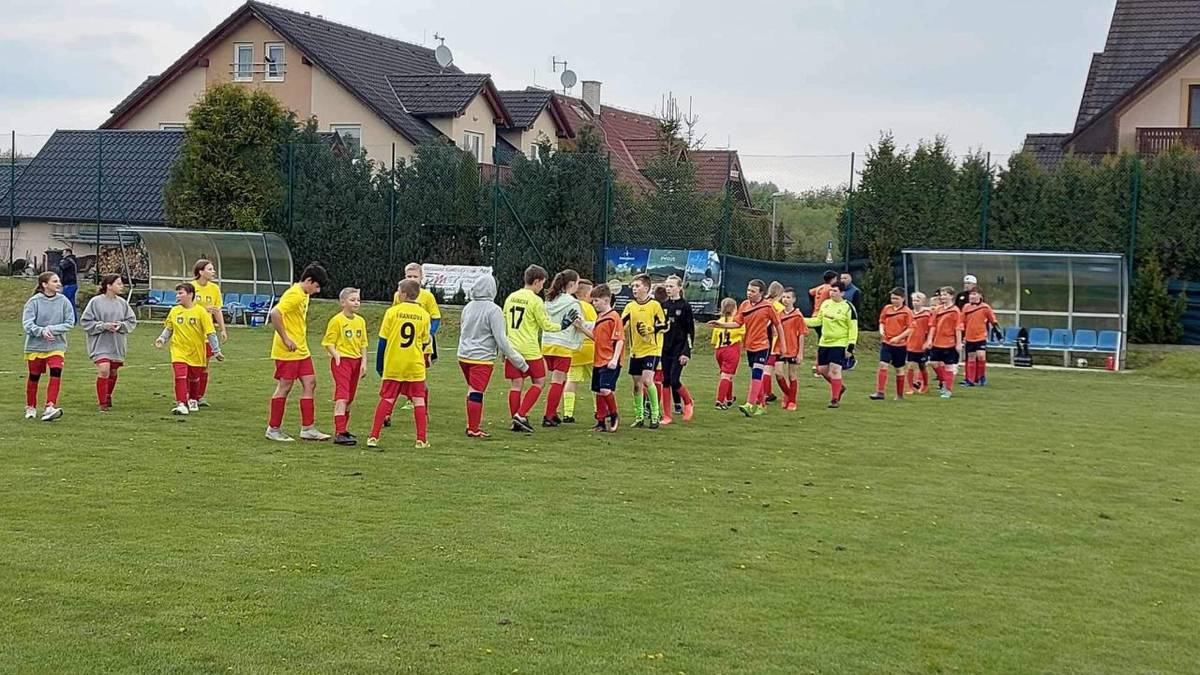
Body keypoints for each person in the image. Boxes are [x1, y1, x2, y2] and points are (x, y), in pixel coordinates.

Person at [457, 274, 528, 438]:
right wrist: (519, 362)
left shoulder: (468, 307)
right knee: (477, 391)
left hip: (463, 355)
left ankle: (471, 424)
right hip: (481, 358)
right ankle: (473, 429)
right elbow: (501, 339)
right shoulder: (494, 310)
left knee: (472, 389)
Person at [265, 263, 330, 442]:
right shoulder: (294, 295)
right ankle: (273, 429)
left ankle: (308, 428)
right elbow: (275, 313)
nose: (317, 291)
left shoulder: (304, 294)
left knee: (310, 383)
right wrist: (286, 338)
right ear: (308, 280)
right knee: (285, 387)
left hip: (301, 350)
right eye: (316, 286)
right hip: (288, 351)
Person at [503, 264, 572, 433]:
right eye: (542, 283)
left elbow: (504, 322)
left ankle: (515, 420)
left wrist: (504, 348)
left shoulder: (511, 297)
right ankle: (521, 414)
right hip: (530, 349)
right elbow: (545, 325)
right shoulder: (535, 300)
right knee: (539, 382)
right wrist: (562, 325)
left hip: (512, 348)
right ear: (536, 281)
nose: (542, 287)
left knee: (516, 385)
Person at [707, 279, 784, 418]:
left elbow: (778, 325)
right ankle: (762, 405)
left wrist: (782, 345)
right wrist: (721, 325)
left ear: (761, 293)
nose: (749, 293)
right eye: (748, 290)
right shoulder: (744, 305)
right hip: (750, 346)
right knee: (755, 375)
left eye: (753, 291)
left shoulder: (768, 307)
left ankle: (750, 404)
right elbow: (737, 323)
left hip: (763, 345)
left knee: (757, 374)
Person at [370, 279, 432, 449]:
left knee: (387, 398)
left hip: (394, 362)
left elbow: (383, 340)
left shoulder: (392, 312)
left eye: (398, 291)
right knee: (418, 400)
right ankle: (421, 440)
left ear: (403, 294)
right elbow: (425, 341)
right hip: (414, 363)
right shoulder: (424, 315)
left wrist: (380, 365)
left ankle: (373, 436)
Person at [155, 282, 224, 415]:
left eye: (181, 293)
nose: (177, 296)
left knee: (194, 378)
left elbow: (210, 333)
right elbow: (169, 328)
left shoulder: (201, 312)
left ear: (190, 295)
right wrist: (162, 339)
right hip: (178, 351)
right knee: (180, 376)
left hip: (196, 352)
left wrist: (216, 351)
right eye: (177, 293)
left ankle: (192, 399)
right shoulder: (174, 311)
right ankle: (181, 403)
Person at [79, 274, 137, 411]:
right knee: (104, 369)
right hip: (100, 343)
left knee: (113, 371)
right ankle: (102, 403)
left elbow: (131, 321)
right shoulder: (95, 302)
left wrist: (120, 326)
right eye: (119, 284)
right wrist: (103, 326)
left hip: (116, 343)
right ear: (109, 286)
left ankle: (108, 394)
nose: (122, 286)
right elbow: (86, 322)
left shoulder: (122, 303)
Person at [22, 272, 75, 421]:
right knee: (34, 376)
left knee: (56, 371)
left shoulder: (64, 301)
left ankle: (50, 406)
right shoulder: (34, 302)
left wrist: (51, 329)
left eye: (59, 281)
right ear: (44, 284)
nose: (59, 284)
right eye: (55, 281)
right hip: (35, 347)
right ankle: (31, 407)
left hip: (56, 345)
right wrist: (41, 331)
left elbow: (70, 322)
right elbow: (27, 324)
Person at [541, 269, 591, 427]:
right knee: (558, 380)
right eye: (577, 282)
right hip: (563, 345)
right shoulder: (573, 303)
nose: (578, 286)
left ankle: (553, 412)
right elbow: (579, 324)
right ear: (571, 284)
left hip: (547, 343)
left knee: (559, 379)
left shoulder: (550, 300)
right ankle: (549, 415)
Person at [322, 288, 368, 446]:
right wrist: (336, 355)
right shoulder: (336, 321)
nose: (356, 303)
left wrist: (364, 362)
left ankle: (344, 430)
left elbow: (363, 344)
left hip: (356, 361)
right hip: (342, 362)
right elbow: (328, 342)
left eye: (358, 300)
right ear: (343, 302)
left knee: (350, 397)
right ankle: (339, 432)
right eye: (352, 300)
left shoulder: (360, 321)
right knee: (342, 396)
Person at [804, 281, 859, 409]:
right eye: (831, 290)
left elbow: (853, 328)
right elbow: (818, 321)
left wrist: (850, 346)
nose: (831, 293)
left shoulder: (848, 307)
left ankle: (834, 399)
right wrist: (801, 320)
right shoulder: (826, 304)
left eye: (835, 291)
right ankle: (839, 387)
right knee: (822, 370)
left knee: (835, 370)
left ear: (842, 293)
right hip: (824, 342)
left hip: (839, 343)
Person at [622, 274, 668, 428]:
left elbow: (665, 325)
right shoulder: (630, 307)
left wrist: (650, 329)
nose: (634, 289)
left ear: (647, 288)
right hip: (636, 351)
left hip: (652, 349)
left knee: (648, 380)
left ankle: (655, 415)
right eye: (633, 286)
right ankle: (639, 416)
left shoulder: (655, 305)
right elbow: (621, 324)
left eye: (637, 286)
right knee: (637, 384)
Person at [659, 275, 695, 424]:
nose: (668, 289)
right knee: (665, 380)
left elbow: (690, 331)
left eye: (671, 286)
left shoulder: (685, 306)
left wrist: (686, 352)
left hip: (679, 349)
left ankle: (688, 402)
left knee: (674, 380)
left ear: (680, 288)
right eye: (667, 286)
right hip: (665, 349)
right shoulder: (663, 306)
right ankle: (667, 415)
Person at [588, 284, 624, 432]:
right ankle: (600, 422)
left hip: (609, 360)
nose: (594, 303)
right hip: (598, 359)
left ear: (606, 300)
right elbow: (595, 337)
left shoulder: (614, 317)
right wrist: (580, 327)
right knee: (598, 390)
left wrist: (614, 359)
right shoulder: (600, 317)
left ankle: (614, 415)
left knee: (605, 389)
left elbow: (620, 340)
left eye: (596, 300)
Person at [192, 259, 227, 407]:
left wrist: (222, 329)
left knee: (204, 365)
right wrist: (201, 309)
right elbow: (183, 306)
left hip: (207, 333)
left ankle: (199, 396)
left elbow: (217, 310)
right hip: (192, 332)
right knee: (191, 366)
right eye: (210, 269)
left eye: (213, 269)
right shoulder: (191, 287)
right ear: (201, 272)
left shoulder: (214, 289)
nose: (213, 272)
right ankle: (187, 395)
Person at [563, 278, 597, 424]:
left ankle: (568, 413)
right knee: (596, 382)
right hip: (589, 349)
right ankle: (598, 410)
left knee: (571, 381)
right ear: (586, 293)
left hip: (575, 350)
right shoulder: (589, 308)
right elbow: (595, 328)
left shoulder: (571, 306)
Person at [871, 287, 914, 401]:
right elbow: (881, 321)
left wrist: (898, 338)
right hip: (887, 342)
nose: (893, 300)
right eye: (892, 298)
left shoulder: (907, 312)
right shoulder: (887, 308)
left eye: (896, 298)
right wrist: (881, 330)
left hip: (900, 345)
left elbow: (910, 329)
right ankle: (880, 392)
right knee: (883, 364)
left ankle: (899, 395)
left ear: (903, 299)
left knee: (899, 369)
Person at [773, 287, 808, 411]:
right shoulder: (778, 314)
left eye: (788, 297)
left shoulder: (798, 316)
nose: (785, 299)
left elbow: (801, 334)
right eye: (783, 297)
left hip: (793, 348)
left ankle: (792, 401)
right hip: (779, 347)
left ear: (794, 299)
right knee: (778, 373)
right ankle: (788, 394)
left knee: (792, 375)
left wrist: (800, 353)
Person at [926, 286, 964, 399]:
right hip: (937, 341)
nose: (943, 297)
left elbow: (958, 328)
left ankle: (948, 390)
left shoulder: (955, 311)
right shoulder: (938, 309)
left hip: (949, 342)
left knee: (949, 366)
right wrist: (929, 339)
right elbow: (933, 326)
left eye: (945, 295)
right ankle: (944, 381)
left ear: (951, 296)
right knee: (933, 363)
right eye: (942, 295)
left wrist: (958, 343)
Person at [710, 297, 744, 410]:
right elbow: (744, 334)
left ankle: (729, 398)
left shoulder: (718, 322)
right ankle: (719, 401)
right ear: (735, 309)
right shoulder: (737, 322)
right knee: (726, 375)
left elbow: (714, 341)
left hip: (719, 350)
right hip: (731, 349)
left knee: (727, 375)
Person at [961, 288, 999, 387]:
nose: (972, 296)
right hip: (969, 336)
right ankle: (970, 380)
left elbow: (993, 320)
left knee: (981, 356)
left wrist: (997, 332)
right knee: (971, 357)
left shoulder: (985, 307)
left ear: (980, 296)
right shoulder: (966, 307)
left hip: (981, 336)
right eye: (971, 294)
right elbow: (962, 321)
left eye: (974, 294)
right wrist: (961, 334)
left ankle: (981, 377)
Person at [761, 280, 786, 405]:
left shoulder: (763, 302)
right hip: (772, 340)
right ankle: (766, 393)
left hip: (759, 337)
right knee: (768, 368)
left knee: (762, 367)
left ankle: (766, 392)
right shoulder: (778, 307)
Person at [905, 292, 933, 395]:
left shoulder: (926, 315)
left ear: (923, 302)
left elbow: (930, 329)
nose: (915, 303)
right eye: (913, 300)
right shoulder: (909, 314)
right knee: (910, 366)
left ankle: (925, 385)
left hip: (921, 345)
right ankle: (910, 388)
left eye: (917, 300)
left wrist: (928, 341)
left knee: (922, 366)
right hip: (910, 344)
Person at [58, 249, 79, 321]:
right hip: (72, 284)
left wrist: (61, 262)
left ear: (68, 253)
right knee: (71, 302)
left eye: (63, 253)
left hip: (69, 284)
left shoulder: (69, 260)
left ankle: (68, 318)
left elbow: (62, 266)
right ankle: (73, 319)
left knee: (66, 302)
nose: (62, 255)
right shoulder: (72, 260)